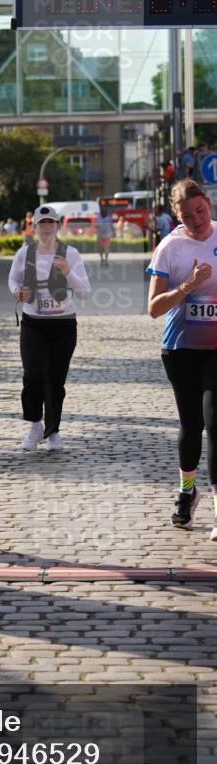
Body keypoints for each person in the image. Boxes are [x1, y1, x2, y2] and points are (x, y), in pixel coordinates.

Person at [147, 179, 216, 537]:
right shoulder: (170, 248)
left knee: (215, 420)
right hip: (181, 348)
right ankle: (187, 493)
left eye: (200, 211)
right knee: (192, 425)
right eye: (187, 216)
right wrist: (187, 286)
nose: (196, 220)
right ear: (177, 217)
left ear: (208, 204)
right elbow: (154, 308)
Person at [8, 204, 91, 452]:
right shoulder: (24, 253)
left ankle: (53, 431)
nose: (46, 228)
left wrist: (68, 272)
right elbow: (13, 279)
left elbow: (85, 292)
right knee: (33, 376)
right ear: (34, 227)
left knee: (56, 380)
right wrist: (17, 292)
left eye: (50, 223)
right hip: (33, 323)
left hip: (63, 324)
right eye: (41, 223)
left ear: (57, 226)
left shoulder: (70, 253)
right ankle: (35, 425)